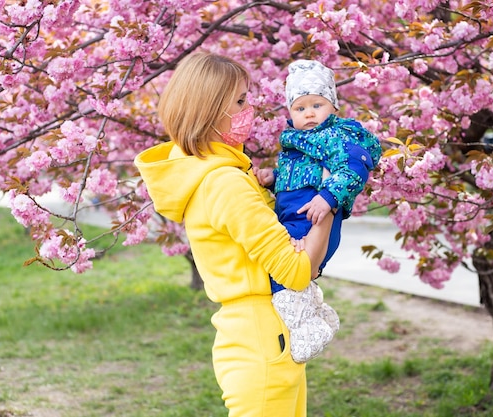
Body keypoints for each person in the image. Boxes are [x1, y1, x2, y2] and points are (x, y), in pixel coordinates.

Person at [134, 52, 333, 417]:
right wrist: (330, 201)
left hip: (253, 331)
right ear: (209, 111)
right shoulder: (225, 183)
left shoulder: (213, 176)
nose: (250, 108)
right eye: (240, 101)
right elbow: (297, 271)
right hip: (262, 336)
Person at [254, 59, 382, 363]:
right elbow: (297, 174)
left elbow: (354, 167)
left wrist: (328, 196)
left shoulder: (339, 136)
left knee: (281, 272)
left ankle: (304, 330)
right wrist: (274, 178)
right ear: (290, 113)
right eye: (300, 108)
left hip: (314, 214)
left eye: (317, 105)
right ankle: (315, 314)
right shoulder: (295, 141)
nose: (309, 113)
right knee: (282, 266)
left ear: (333, 107)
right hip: (292, 214)